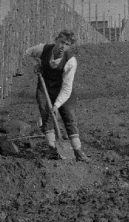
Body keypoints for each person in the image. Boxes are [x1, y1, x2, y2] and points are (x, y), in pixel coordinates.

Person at [24, 30, 88, 162]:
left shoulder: (71, 61)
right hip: (45, 88)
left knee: (69, 117)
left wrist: (57, 105)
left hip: (63, 92)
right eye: (61, 42)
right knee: (47, 117)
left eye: (67, 44)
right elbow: (27, 52)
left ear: (70, 46)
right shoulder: (43, 49)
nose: (63, 46)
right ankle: (52, 150)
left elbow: (67, 88)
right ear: (56, 40)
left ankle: (77, 151)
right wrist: (36, 63)